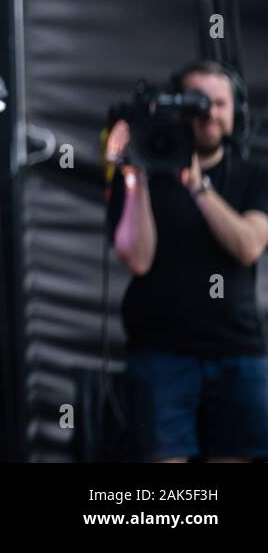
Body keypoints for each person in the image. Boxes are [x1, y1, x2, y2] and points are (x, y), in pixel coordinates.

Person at [107, 59, 268, 461]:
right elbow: (137, 258)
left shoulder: (253, 176)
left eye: (218, 103)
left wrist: (197, 186)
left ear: (236, 113)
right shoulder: (140, 174)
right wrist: (135, 175)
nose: (208, 113)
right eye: (197, 103)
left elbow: (249, 245)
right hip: (161, 354)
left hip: (238, 354)